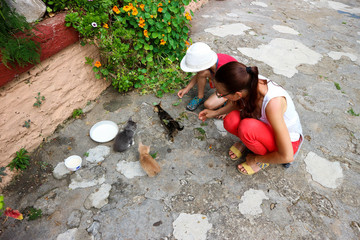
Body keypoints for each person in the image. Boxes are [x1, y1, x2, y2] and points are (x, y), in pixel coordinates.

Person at [198, 61, 303, 175]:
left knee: (247, 128)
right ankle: (248, 142)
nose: (218, 95)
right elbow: (237, 103)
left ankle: (262, 158)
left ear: (237, 94)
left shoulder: (273, 104)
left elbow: (287, 156)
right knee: (230, 120)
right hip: (264, 127)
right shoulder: (247, 81)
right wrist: (214, 113)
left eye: (221, 94)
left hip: (287, 143)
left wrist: (256, 159)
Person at [178, 42, 237, 112]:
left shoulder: (225, 70)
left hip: (229, 86)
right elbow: (199, 74)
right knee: (202, 73)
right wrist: (187, 88)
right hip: (219, 78)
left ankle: (226, 100)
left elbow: (235, 88)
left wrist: (225, 110)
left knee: (208, 105)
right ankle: (200, 96)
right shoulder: (209, 60)